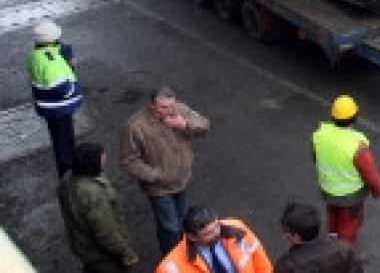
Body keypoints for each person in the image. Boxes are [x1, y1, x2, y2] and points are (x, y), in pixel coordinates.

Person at [121, 85, 210, 255]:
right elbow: (129, 160)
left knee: (182, 220)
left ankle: (183, 253)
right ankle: (171, 259)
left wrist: (185, 124)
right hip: (159, 188)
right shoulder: (135, 126)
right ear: (152, 105)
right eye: (164, 107)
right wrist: (155, 176)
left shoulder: (180, 110)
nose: (169, 110)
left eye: (171, 105)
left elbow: (204, 125)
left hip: (181, 180)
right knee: (170, 228)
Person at [312, 95, 380, 247]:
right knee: (348, 227)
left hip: (328, 190)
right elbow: (372, 177)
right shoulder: (357, 145)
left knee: (333, 216)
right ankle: (342, 254)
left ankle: (331, 240)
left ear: (333, 116)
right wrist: (377, 192)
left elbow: (315, 159)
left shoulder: (319, 135)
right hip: (351, 197)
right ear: (355, 117)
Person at [58, 142, 139, 272]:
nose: (105, 161)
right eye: (102, 159)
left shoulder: (67, 179)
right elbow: (106, 233)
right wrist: (126, 252)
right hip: (103, 257)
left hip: (83, 248)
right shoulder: (93, 194)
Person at [27, 19, 82, 177]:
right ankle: (68, 177)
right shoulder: (50, 62)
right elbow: (60, 88)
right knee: (64, 145)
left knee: (60, 140)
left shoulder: (35, 55)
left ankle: (67, 169)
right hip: (59, 108)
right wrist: (73, 84)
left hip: (49, 107)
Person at [155, 206, 271, 273]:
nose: (217, 233)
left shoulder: (237, 228)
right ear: (191, 237)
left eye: (217, 226)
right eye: (208, 233)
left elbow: (260, 259)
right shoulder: (170, 268)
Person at [274, 202, 363, 273]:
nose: (285, 236)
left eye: (287, 233)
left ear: (297, 236)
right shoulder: (344, 249)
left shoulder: (286, 265)